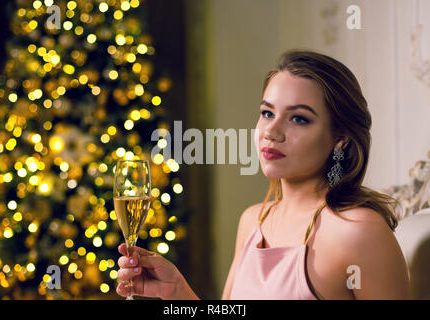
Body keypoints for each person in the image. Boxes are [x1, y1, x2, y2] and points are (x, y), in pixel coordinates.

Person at [116, 49, 411, 300]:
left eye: (298, 118)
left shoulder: (358, 231)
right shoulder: (253, 221)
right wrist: (178, 291)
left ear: (340, 138)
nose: (271, 131)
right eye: (268, 113)